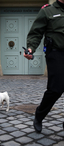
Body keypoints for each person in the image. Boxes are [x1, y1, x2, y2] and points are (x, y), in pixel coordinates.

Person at [24, 0, 64, 133]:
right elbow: (36, 32)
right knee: (56, 89)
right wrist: (31, 48)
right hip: (56, 53)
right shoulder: (47, 11)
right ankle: (39, 115)